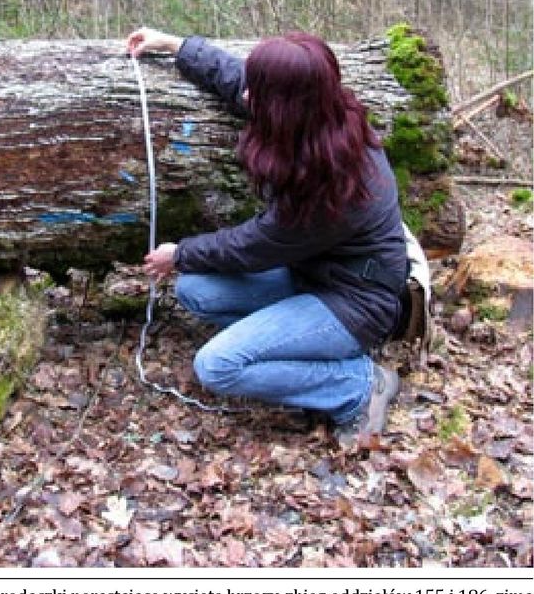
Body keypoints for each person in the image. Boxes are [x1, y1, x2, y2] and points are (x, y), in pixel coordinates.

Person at [126, 25, 408, 445]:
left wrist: (180, 253)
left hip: (355, 305)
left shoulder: (342, 184)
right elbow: (238, 80)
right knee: (196, 291)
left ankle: (357, 385)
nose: (246, 97)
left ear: (287, 105)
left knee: (218, 365)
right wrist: (175, 45)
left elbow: (257, 245)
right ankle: (297, 347)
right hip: (313, 277)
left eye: (259, 92)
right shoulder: (316, 118)